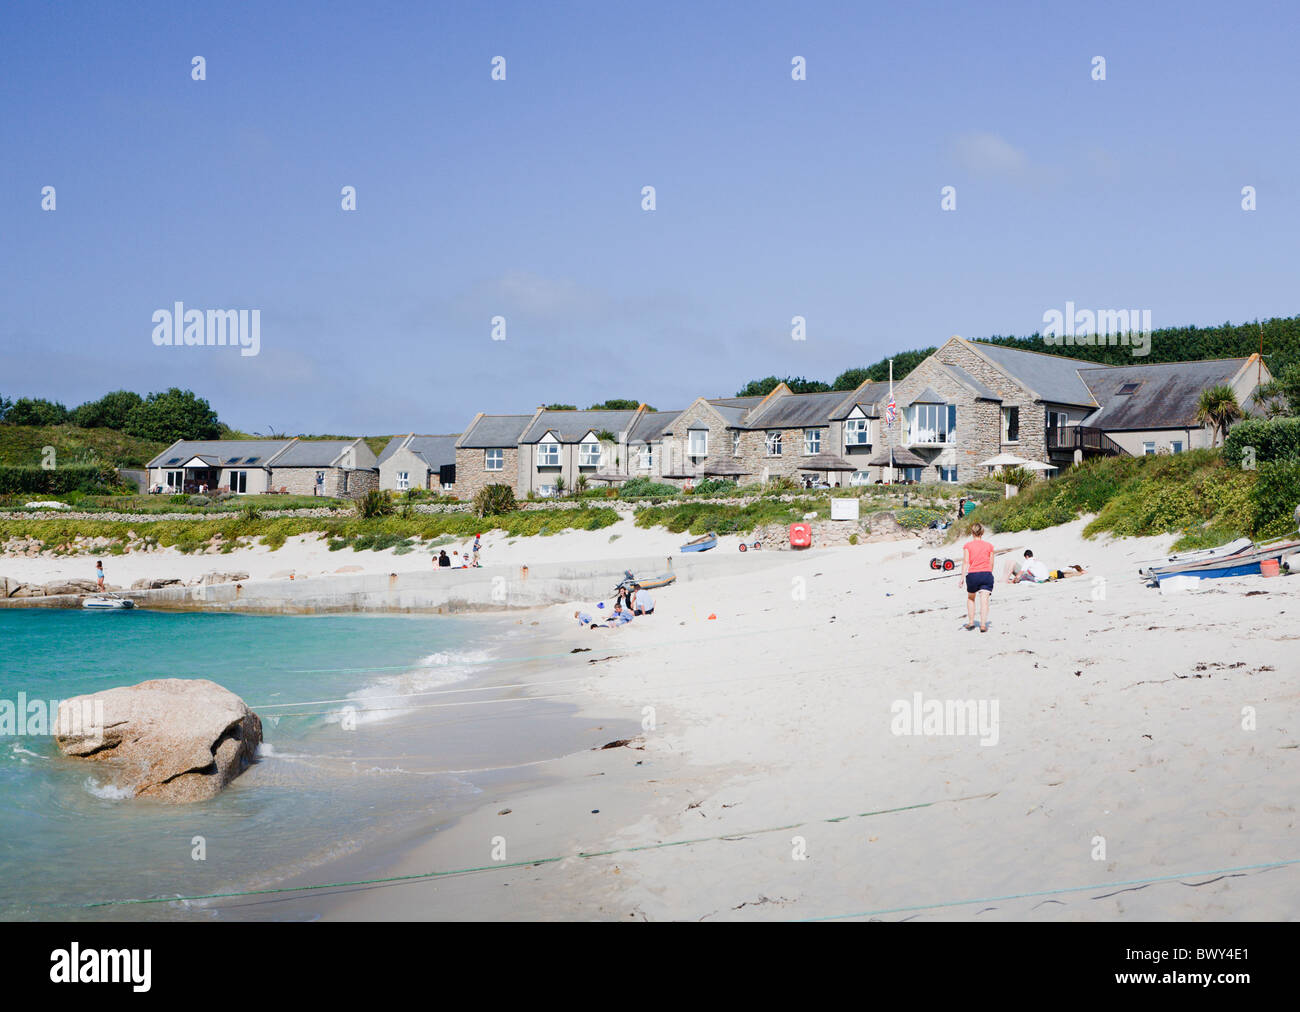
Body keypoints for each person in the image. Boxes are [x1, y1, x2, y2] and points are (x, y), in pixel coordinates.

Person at [961, 522, 994, 633]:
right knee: (984, 600)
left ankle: (971, 622)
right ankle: (983, 625)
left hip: (973, 575)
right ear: (982, 532)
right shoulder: (989, 546)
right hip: (986, 574)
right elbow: (991, 563)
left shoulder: (967, 546)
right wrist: (988, 573)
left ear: (972, 533)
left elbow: (966, 562)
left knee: (971, 598)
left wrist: (961, 578)